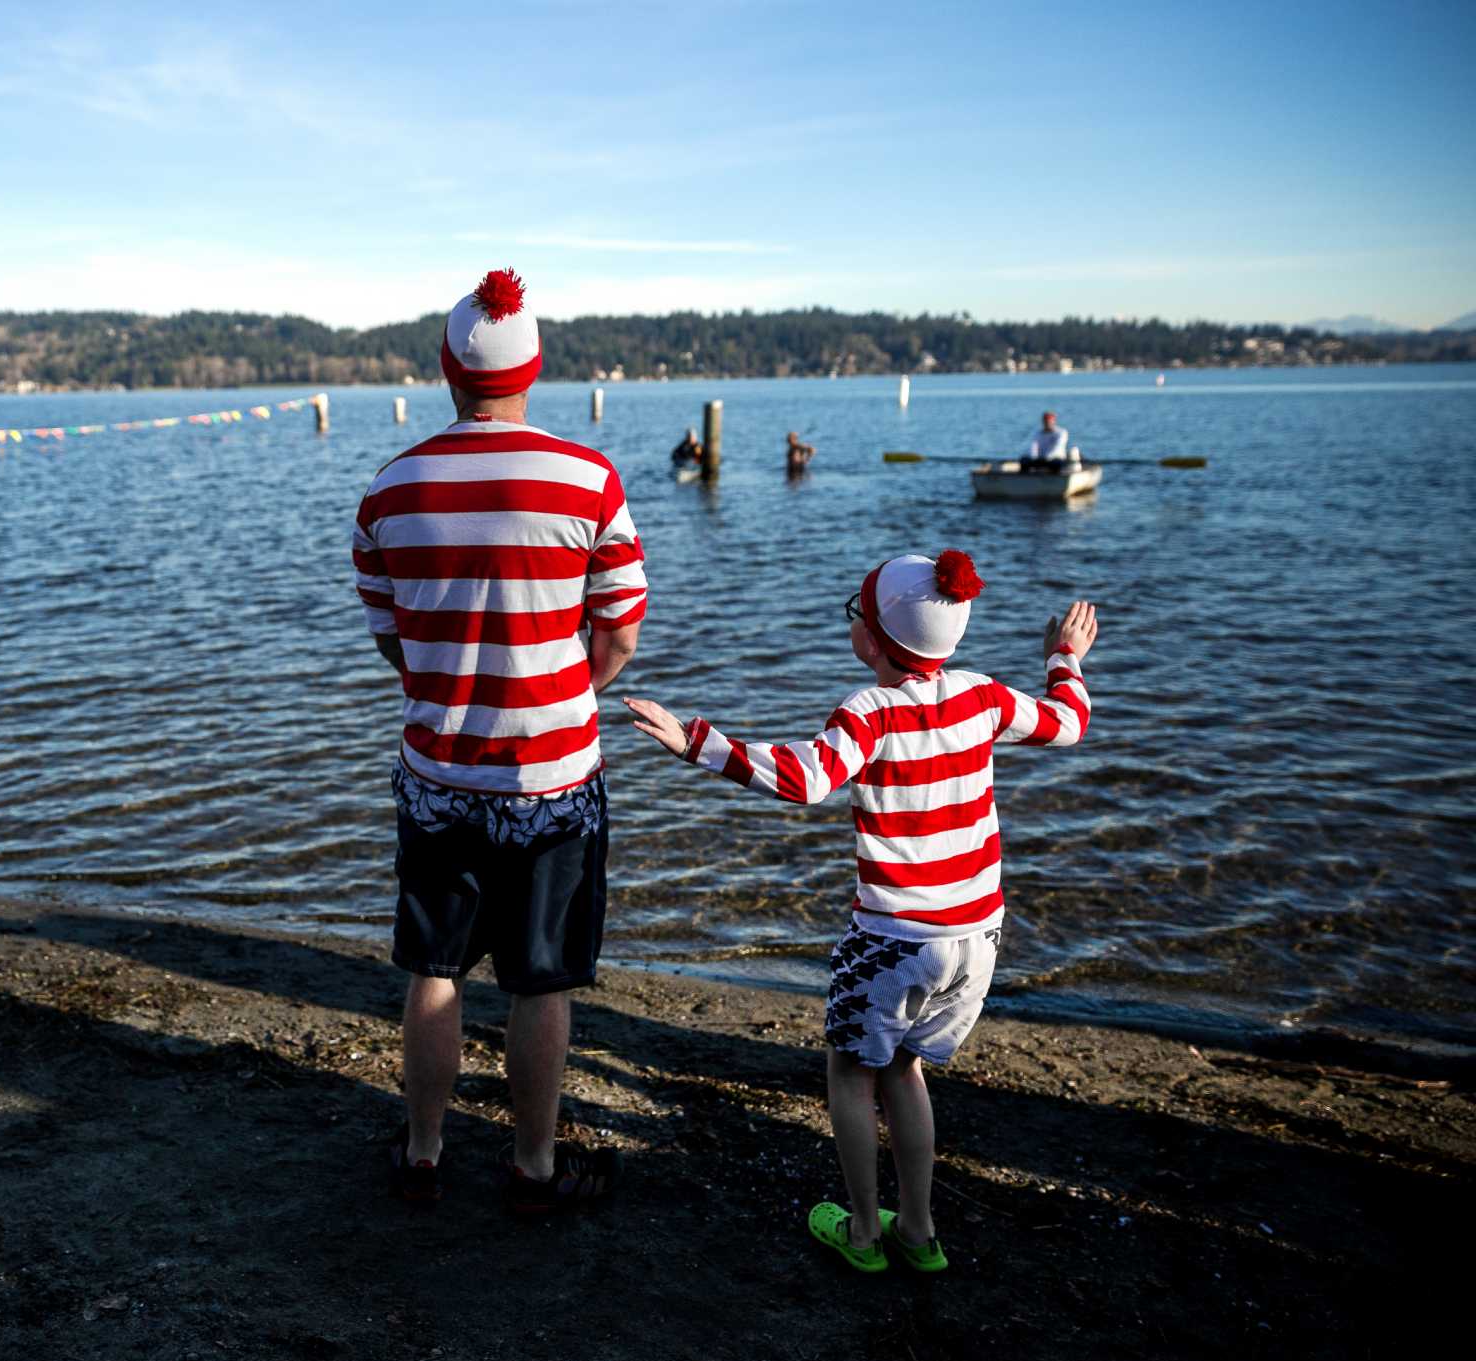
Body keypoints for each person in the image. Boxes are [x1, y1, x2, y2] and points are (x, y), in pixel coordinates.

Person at [623, 552, 1096, 1271]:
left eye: (857, 612)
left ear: (872, 640)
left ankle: (865, 1235)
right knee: (906, 1068)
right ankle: (918, 1227)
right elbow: (1068, 723)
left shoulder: (868, 712)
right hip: (977, 938)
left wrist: (697, 741)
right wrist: (1064, 656)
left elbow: (805, 779)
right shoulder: (984, 698)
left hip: (894, 937)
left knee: (850, 1071)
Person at [352, 268, 648, 1213]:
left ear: (445, 370)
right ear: (535, 370)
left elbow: (395, 642)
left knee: (434, 968)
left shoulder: (388, 491)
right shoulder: (589, 482)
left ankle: (425, 1151)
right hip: (553, 777)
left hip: (439, 772)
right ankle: (531, 1165)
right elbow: (621, 635)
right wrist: (565, 695)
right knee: (539, 978)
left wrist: (454, 692)